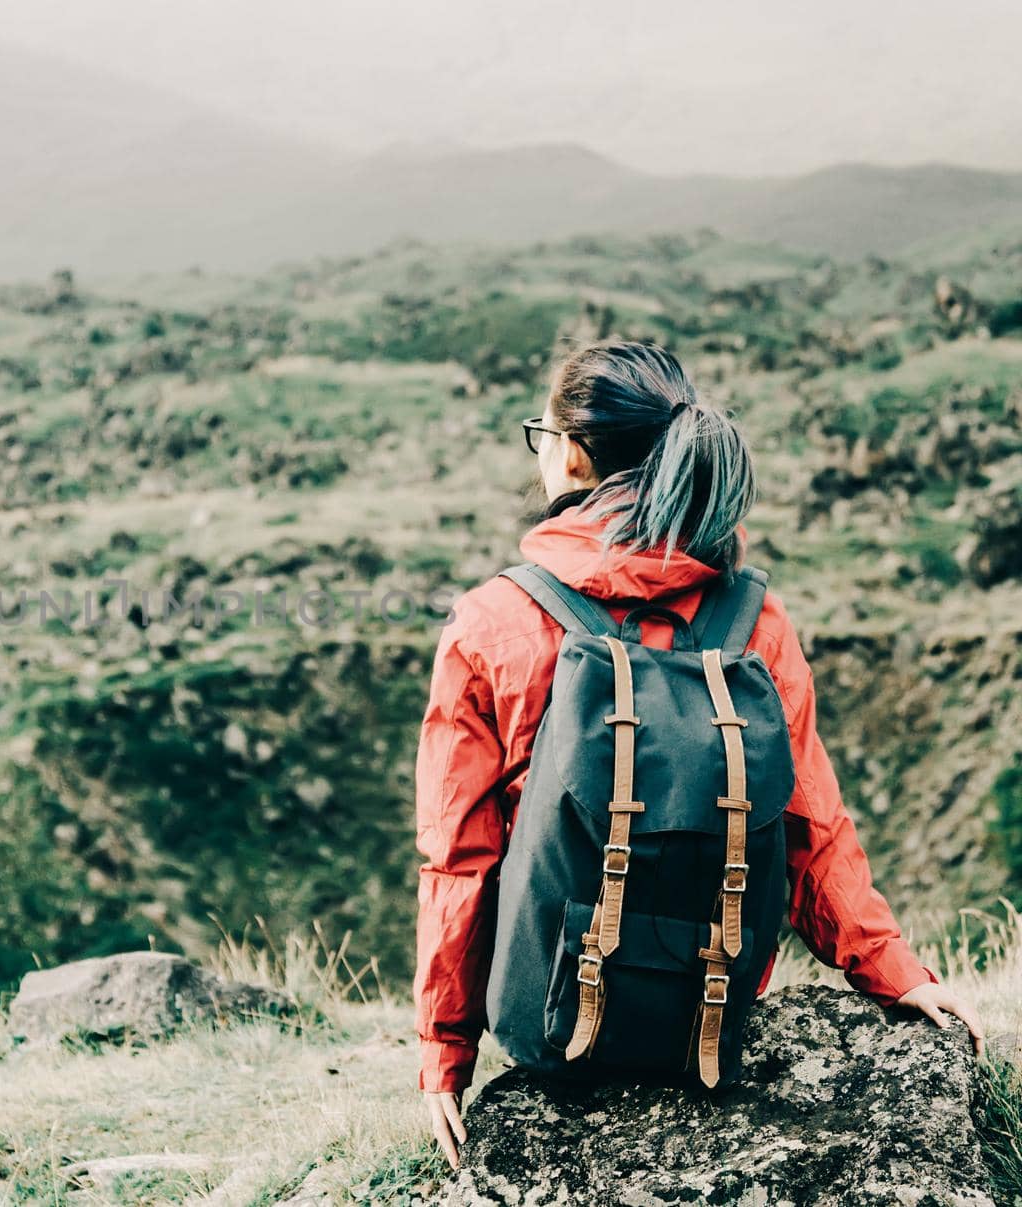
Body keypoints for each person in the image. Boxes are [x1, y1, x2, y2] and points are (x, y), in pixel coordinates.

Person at [413, 340, 985, 1169]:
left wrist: (444, 1050)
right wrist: (897, 973)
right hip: (710, 1023)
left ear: (570, 451)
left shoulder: (492, 623)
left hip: (552, 1027)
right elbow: (809, 825)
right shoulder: (754, 621)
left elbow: (460, 857)